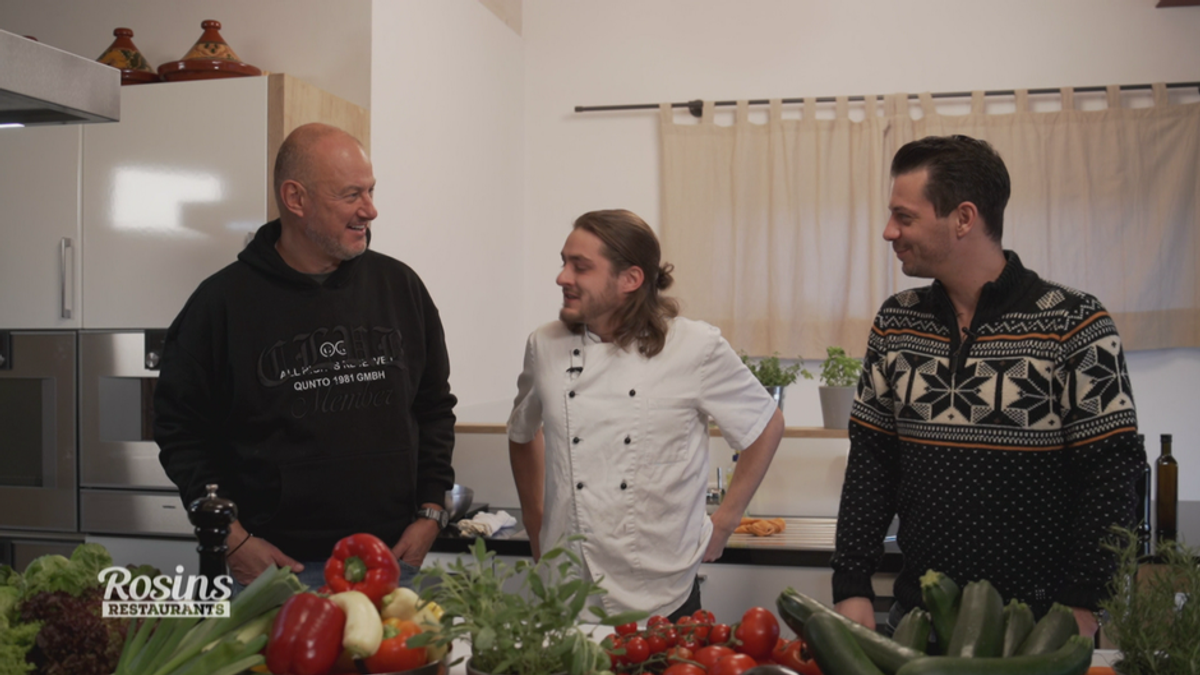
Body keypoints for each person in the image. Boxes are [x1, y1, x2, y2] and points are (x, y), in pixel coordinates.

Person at [831, 135, 1143, 638]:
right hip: (917, 625)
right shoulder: (896, 322)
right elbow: (872, 461)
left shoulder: (1074, 323)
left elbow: (1112, 473)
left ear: (963, 218)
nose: (889, 231)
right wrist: (851, 583)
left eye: (904, 217)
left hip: (1041, 631)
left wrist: (1083, 602)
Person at [155, 123, 457, 590]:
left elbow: (434, 408)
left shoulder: (401, 289)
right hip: (274, 571)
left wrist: (432, 512)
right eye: (351, 194)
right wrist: (232, 540)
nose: (370, 210)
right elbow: (181, 433)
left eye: (371, 191)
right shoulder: (220, 305)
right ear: (296, 199)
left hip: (391, 563)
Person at [507, 209, 786, 620]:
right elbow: (521, 431)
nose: (562, 277)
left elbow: (766, 425)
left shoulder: (695, 347)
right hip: (566, 589)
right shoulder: (544, 344)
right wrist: (536, 521)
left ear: (630, 280)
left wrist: (725, 521)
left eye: (580, 266)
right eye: (563, 262)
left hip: (663, 590)